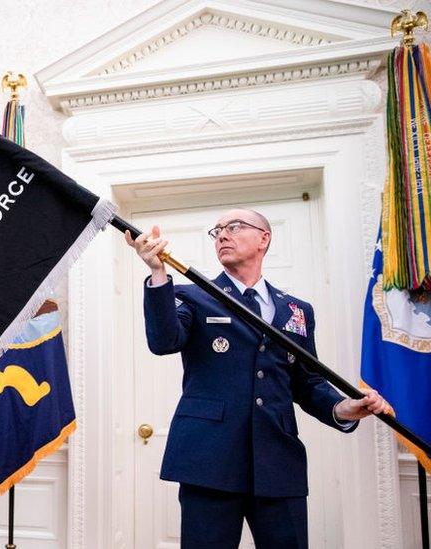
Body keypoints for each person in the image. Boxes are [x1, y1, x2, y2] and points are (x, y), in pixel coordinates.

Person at [125, 208, 389, 549]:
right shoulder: (195, 296)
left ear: (264, 238)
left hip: (278, 462)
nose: (222, 235)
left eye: (233, 227)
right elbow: (164, 341)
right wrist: (158, 273)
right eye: (217, 230)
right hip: (209, 461)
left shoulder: (297, 310)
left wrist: (343, 407)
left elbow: (307, 383)